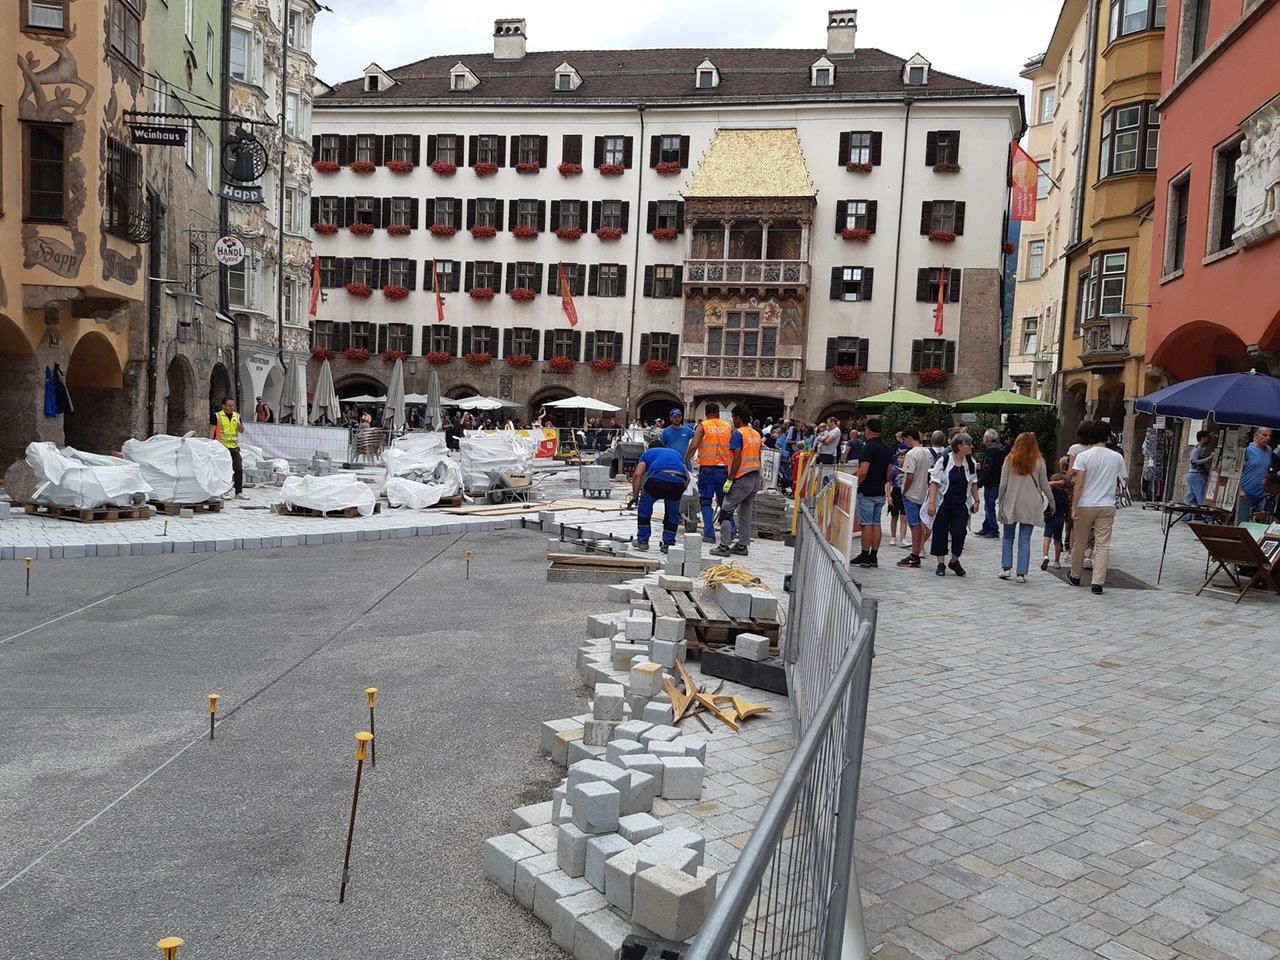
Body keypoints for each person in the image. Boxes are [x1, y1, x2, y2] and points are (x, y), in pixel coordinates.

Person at [1069, 420, 1127, 595]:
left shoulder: (1084, 456)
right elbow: (1124, 479)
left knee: (1080, 541)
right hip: (1107, 504)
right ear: (1108, 437)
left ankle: (1075, 575)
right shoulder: (1117, 457)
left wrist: (1074, 506)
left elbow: (1079, 484)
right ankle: (1097, 582)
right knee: (1103, 544)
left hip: (1086, 503)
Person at [996, 432, 1055, 583]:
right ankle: (1021, 573)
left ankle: (1006, 568)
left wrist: (1000, 499)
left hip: (1012, 501)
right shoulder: (1039, 462)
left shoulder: (1010, 460)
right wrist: (1052, 501)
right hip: (1031, 504)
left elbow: (1003, 484)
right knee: (1024, 539)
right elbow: (1044, 484)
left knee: (1008, 537)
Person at [926, 433, 980, 576]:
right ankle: (941, 563)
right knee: (940, 532)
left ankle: (954, 560)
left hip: (961, 503)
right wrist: (931, 503)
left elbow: (974, 482)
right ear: (960, 446)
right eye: (969, 444)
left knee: (959, 533)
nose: (972, 447)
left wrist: (977, 500)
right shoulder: (944, 460)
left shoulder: (970, 462)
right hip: (944, 503)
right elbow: (934, 483)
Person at [711, 406, 761, 557]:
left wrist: (730, 479)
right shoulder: (755, 434)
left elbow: (737, 458)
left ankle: (724, 546)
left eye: (733, 418)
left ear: (738, 418)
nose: (732, 421)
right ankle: (742, 545)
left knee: (726, 511)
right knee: (745, 511)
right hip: (754, 477)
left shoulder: (738, 434)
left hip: (741, 477)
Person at [684, 402, 733, 544]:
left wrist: (685, 459)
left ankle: (709, 534)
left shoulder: (703, 426)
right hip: (724, 469)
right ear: (718, 413)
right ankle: (730, 532)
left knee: (705, 501)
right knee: (724, 502)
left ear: (706, 413)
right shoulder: (727, 427)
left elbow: (694, 445)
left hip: (708, 469)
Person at [631, 441, 689, 552]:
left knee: (645, 508)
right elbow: (688, 478)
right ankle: (668, 544)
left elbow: (637, 474)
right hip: (678, 481)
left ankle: (642, 541)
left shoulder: (648, 453)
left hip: (657, 480)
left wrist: (635, 496)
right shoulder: (675, 453)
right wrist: (678, 492)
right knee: (672, 514)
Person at [851, 417, 893, 568]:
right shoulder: (887, 448)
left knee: (866, 524)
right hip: (880, 490)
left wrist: (856, 484)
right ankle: (874, 556)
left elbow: (863, 471)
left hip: (867, 491)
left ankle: (864, 554)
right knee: (876, 523)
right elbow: (889, 472)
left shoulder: (868, 448)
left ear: (868, 430)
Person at [896, 429, 933, 568]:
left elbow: (909, 476)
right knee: (917, 524)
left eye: (905, 439)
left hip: (911, 493)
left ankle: (915, 554)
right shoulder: (925, 452)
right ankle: (916, 552)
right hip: (921, 492)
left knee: (914, 524)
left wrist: (904, 491)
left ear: (909, 437)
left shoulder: (911, 454)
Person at [209, 397, 247, 499]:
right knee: (224, 470)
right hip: (222, 447)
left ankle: (239, 492)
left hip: (234, 447)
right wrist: (211, 444)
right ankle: (224, 491)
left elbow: (241, 430)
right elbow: (212, 431)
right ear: (223, 406)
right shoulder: (217, 416)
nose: (232, 408)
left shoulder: (237, 416)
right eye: (229, 405)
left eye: (233, 405)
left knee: (238, 468)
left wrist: (240, 425)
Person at [1237, 427, 1275, 523]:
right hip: (1246, 494)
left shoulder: (1269, 450)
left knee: (1264, 524)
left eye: (1269, 436)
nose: (1267, 438)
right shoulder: (1247, 450)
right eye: (1264, 435)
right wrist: (1240, 489)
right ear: (1256, 435)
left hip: (1262, 494)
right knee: (1242, 523)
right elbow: (1237, 470)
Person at [977, 429, 1007, 538]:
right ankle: (986, 527)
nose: (983, 439)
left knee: (989, 506)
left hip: (991, 482)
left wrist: (980, 483)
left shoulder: (991, 450)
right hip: (999, 480)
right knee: (989, 505)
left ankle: (993, 530)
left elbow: (987, 469)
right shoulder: (1001, 448)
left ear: (988, 438)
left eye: (984, 437)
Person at [1042, 474, 1070, 570]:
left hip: (1051, 518)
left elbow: (1047, 484)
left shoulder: (1052, 491)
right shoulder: (1066, 493)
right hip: (1061, 518)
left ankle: (1045, 556)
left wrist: (1054, 483)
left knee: (1047, 538)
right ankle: (1057, 561)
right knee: (1057, 540)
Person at [1184, 430, 1216, 508]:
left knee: (1191, 498)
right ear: (1203, 438)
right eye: (1207, 438)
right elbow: (1194, 462)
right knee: (1201, 497)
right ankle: (1207, 517)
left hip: (1194, 475)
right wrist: (1209, 458)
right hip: (1195, 475)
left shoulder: (1200, 449)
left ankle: (1185, 517)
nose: (1209, 440)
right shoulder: (1196, 450)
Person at [886, 451, 908, 546]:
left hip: (905, 495)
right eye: (899, 457)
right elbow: (888, 483)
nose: (900, 459)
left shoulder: (909, 470)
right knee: (894, 517)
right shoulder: (894, 470)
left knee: (904, 518)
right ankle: (893, 536)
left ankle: (903, 538)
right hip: (895, 493)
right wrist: (888, 495)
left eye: (902, 457)